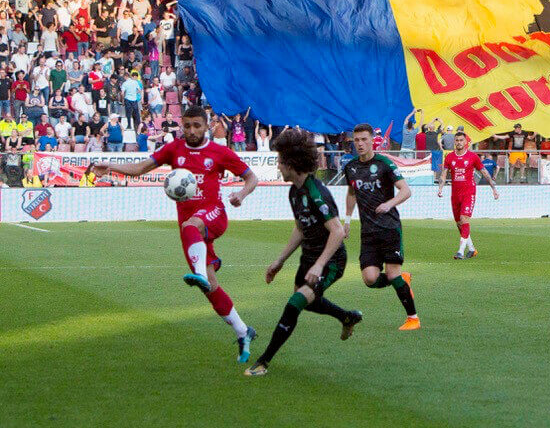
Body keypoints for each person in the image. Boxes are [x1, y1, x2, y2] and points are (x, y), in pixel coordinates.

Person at [90, 106, 259, 362]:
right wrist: (109, 166)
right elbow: (140, 168)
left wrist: (241, 194)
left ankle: (199, 274)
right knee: (211, 288)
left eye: (197, 126)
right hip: (188, 228)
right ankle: (243, 331)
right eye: (187, 125)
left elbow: (251, 177)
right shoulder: (174, 149)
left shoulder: (220, 152)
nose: (191, 131)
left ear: (206, 126)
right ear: (182, 125)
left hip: (213, 214)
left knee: (193, 227)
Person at [245, 128, 362, 376]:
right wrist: (280, 260)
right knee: (307, 303)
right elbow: (300, 227)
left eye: (279, 162)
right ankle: (347, 317)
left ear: (291, 163)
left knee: (295, 303)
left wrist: (319, 265)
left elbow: (338, 232)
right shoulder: (294, 191)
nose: (278, 167)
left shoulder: (316, 192)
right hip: (308, 258)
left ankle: (264, 361)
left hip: (330, 261)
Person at [343, 123, 429, 331]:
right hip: (368, 231)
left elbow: (405, 191)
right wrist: (346, 220)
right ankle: (402, 280)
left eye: (364, 139)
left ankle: (413, 318)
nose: (360, 144)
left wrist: (389, 203)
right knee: (370, 279)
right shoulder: (351, 167)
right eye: (357, 140)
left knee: (391, 273)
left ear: (373, 140)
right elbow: (352, 193)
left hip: (389, 228)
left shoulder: (384, 164)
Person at [437, 129, 498, 259]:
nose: (459, 143)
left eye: (461, 140)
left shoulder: (472, 157)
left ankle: (460, 251)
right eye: (457, 140)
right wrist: (440, 188)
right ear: (454, 142)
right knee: (459, 223)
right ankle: (472, 249)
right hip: (455, 194)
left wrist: (493, 188)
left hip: (469, 193)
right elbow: (443, 174)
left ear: (466, 142)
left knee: (465, 219)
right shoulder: (449, 157)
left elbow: (484, 172)